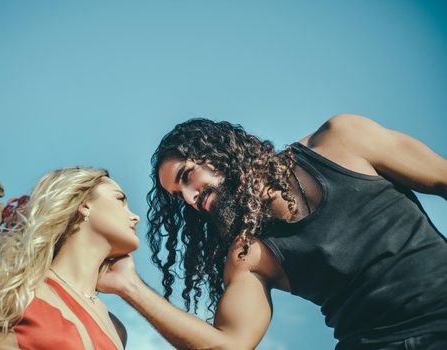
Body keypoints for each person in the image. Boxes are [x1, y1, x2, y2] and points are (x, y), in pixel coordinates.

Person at [97, 114, 447, 350]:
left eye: (187, 177)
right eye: (179, 196)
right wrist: (130, 286)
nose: (190, 198)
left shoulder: (342, 141)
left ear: (218, 152)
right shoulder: (248, 255)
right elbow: (230, 345)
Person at [0, 167, 140, 350]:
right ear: (84, 205)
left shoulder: (116, 328)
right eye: (120, 199)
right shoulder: (12, 283)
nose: (135, 216)